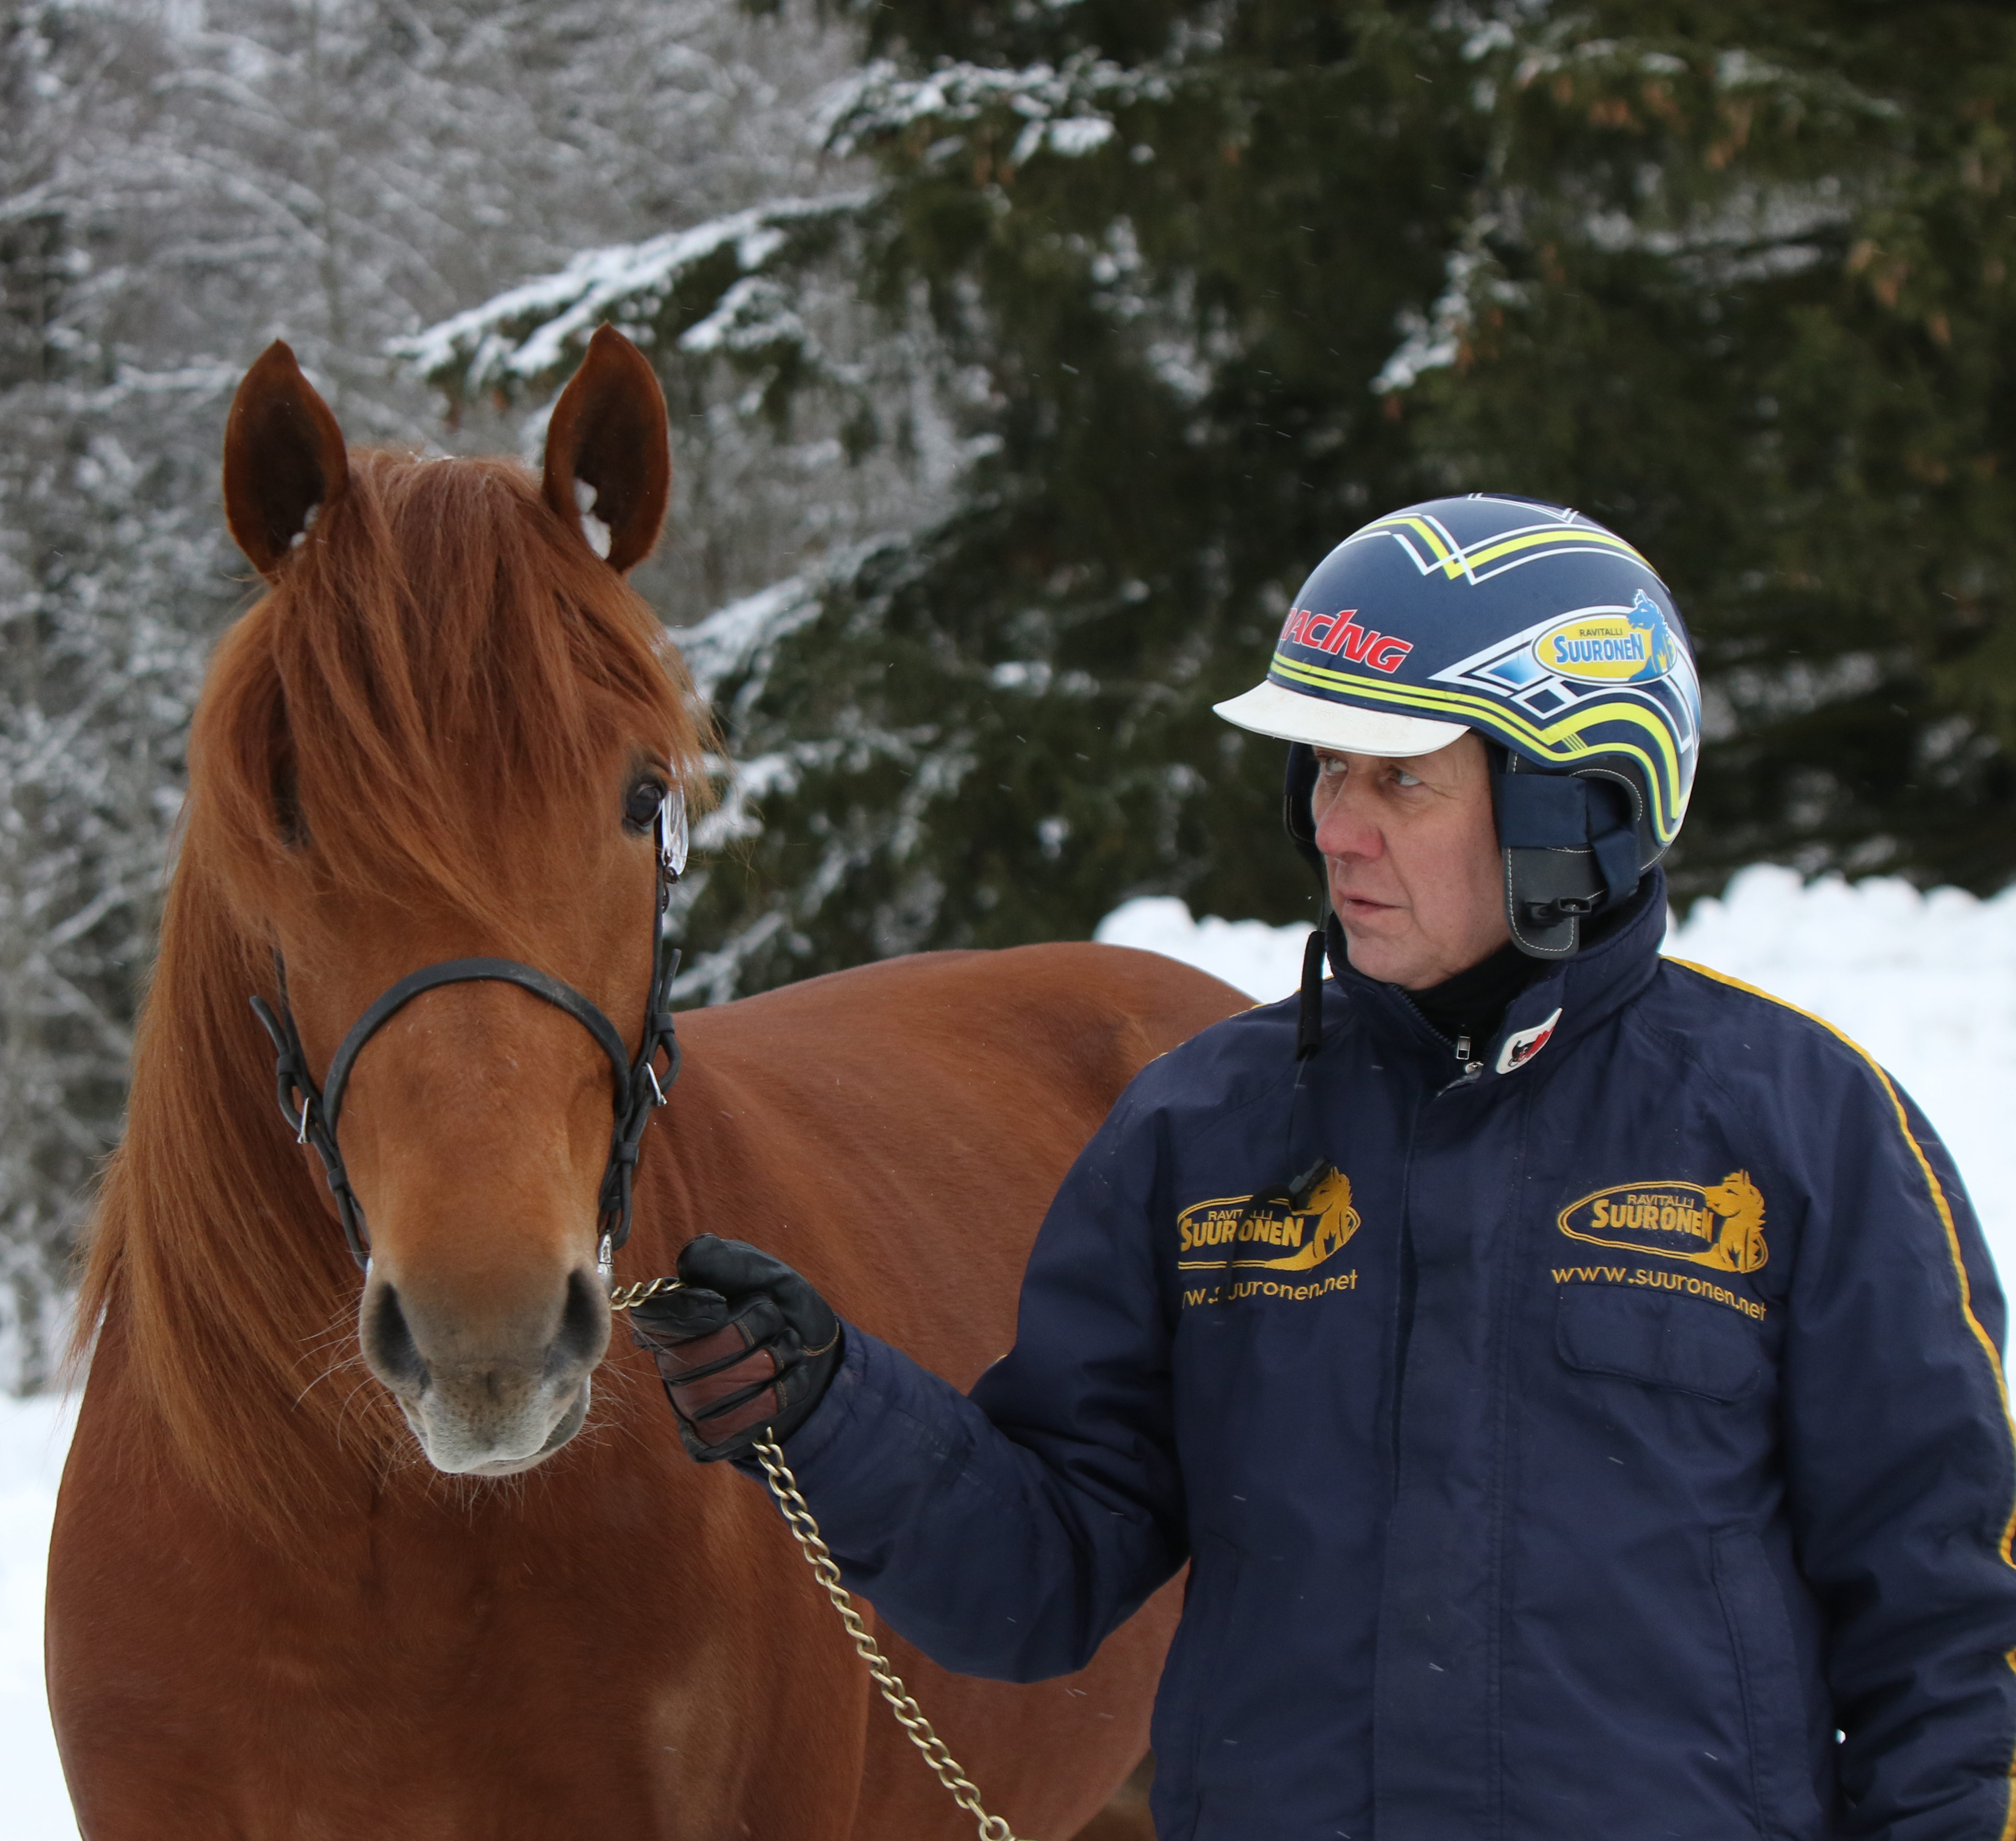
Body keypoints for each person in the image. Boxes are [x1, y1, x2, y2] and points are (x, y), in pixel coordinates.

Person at [628, 494, 2016, 1839]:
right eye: (1325, 771)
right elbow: (1040, 1580)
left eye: (1397, 776)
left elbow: (1950, 1625)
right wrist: (830, 1408)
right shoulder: (1207, 1129)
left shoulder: (1800, 1126)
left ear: (1571, 799)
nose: (1334, 826)